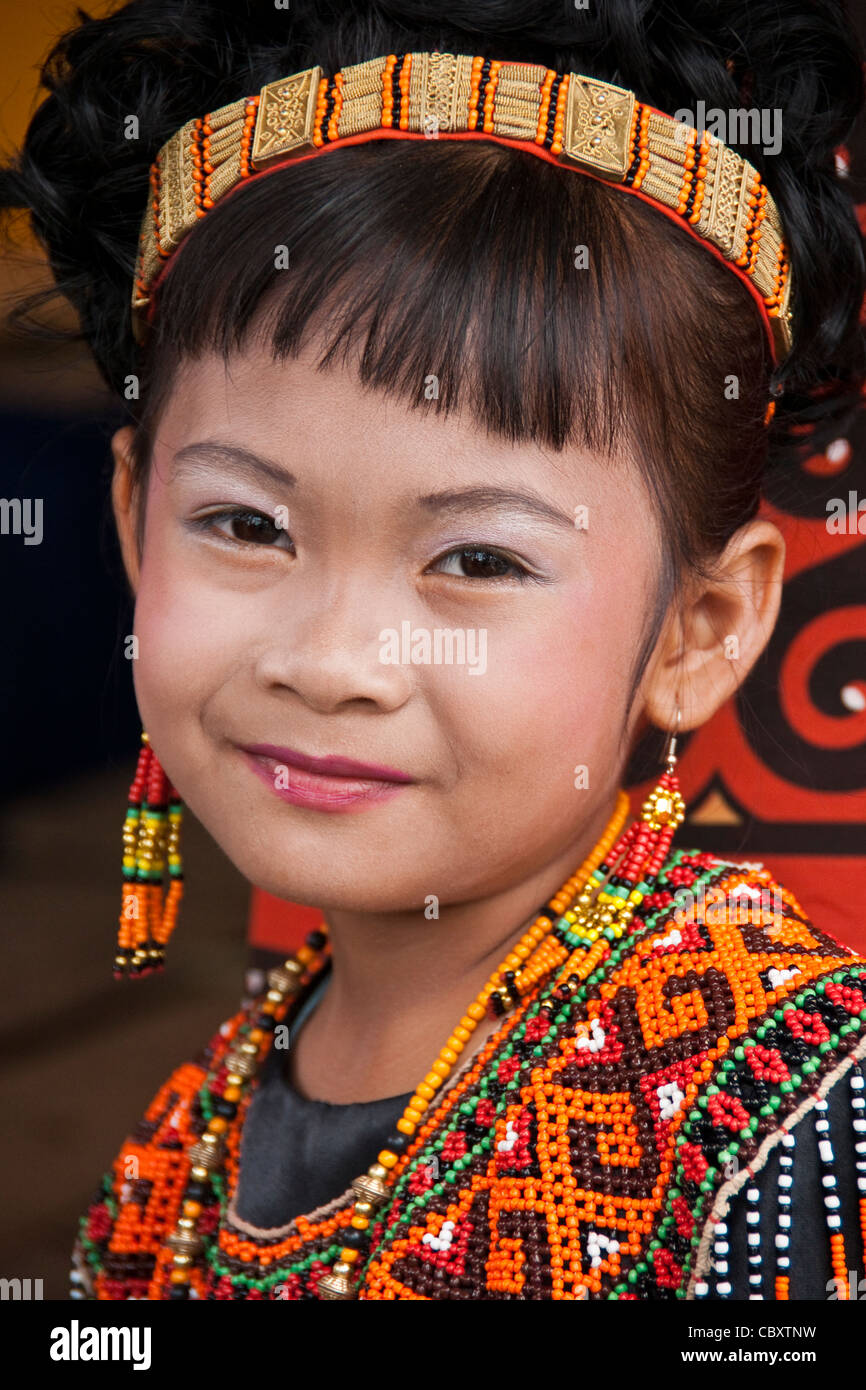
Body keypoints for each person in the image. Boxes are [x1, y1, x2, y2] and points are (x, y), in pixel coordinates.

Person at [3, 0, 865, 1301]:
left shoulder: (797, 1122)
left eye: (476, 559)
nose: (334, 656)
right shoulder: (175, 1155)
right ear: (132, 525)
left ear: (699, 628)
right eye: (245, 523)